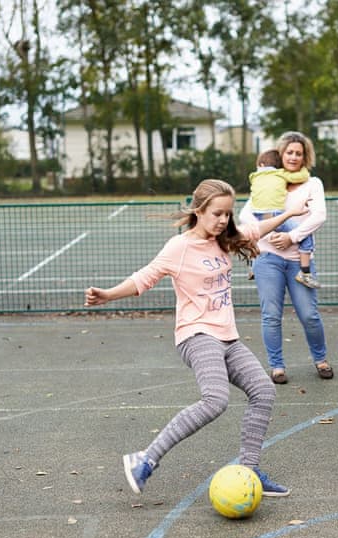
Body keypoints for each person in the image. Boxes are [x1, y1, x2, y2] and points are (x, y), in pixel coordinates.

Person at [84, 179, 307, 497]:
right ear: (199, 210)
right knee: (215, 400)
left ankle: (250, 469)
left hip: (227, 336)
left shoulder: (224, 239)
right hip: (196, 334)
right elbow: (144, 277)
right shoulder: (180, 247)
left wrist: (289, 213)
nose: (223, 220)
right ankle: (144, 460)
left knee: (263, 392)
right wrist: (107, 295)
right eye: (217, 213)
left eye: (228, 214)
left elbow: (255, 231)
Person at [239, 131, 333, 384]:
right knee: (271, 315)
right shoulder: (269, 180)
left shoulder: (313, 184)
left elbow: (319, 215)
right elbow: (246, 215)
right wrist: (270, 236)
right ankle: (277, 366)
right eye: (289, 152)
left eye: (298, 153)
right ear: (281, 154)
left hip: (298, 259)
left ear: (305, 157)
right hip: (268, 258)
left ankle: (321, 359)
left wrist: (292, 237)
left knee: (309, 315)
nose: (293, 157)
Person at [247, 149, 319, 288]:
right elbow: (302, 176)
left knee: (255, 236)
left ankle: (252, 265)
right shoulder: (280, 174)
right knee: (306, 237)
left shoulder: (254, 176)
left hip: (257, 214)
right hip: (275, 214)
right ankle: (305, 273)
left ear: (261, 165)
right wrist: (302, 167)